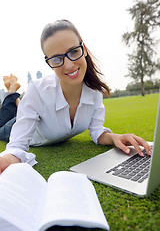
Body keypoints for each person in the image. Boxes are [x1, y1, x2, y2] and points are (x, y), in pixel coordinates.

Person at [0, 19, 152, 173]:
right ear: (49, 63)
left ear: (83, 49)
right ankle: (12, 91)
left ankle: (15, 96)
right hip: (14, 127)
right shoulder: (37, 90)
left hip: (29, 113)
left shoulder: (94, 90)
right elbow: (16, 146)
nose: (69, 65)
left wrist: (115, 137)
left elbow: (97, 132)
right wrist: (7, 159)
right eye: (57, 59)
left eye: (73, 51)